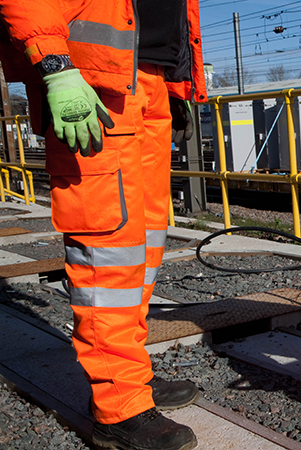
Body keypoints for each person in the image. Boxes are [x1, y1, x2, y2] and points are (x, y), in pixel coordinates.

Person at [0, 1, 206, 449]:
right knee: (109, 246)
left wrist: (176, 87)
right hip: (92, 82)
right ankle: (118, 408)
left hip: (149, 80)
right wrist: (56, 65)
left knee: (144, 245)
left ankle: (130, 378)